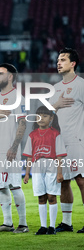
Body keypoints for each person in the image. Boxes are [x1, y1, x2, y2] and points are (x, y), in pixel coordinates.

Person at [0, 63, 29, 233]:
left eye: (1, 74)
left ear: (10, 77)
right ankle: (8, 223)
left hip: (11, 149)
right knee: (0, 186)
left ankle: (23, 224)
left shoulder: (18, 98)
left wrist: (14, 147)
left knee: (14, 185)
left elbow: (22, 124)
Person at [49, 48, 84, 233]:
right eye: (57, 60)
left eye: (63, 59)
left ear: (73, 64)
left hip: (78, 140)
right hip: (61, 142)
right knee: (64, 181)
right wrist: (55, 105)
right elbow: (46, 115)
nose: (58, 63)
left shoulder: (81, 85)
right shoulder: (56, 88)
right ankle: (67, 223)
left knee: (81, 180)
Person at [23, 106, 66, 235]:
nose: (41, 119)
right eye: (39, 116)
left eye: (45, 116)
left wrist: (59, 172)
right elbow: (29, 156)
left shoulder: (55, 134)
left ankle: (52, 227)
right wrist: (26, 173)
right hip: (37, 166)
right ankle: (43, 226)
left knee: (52, 196)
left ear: (51, 118)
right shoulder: (32, 135)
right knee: (41, 196)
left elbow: (59, 155)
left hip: (51, 164)